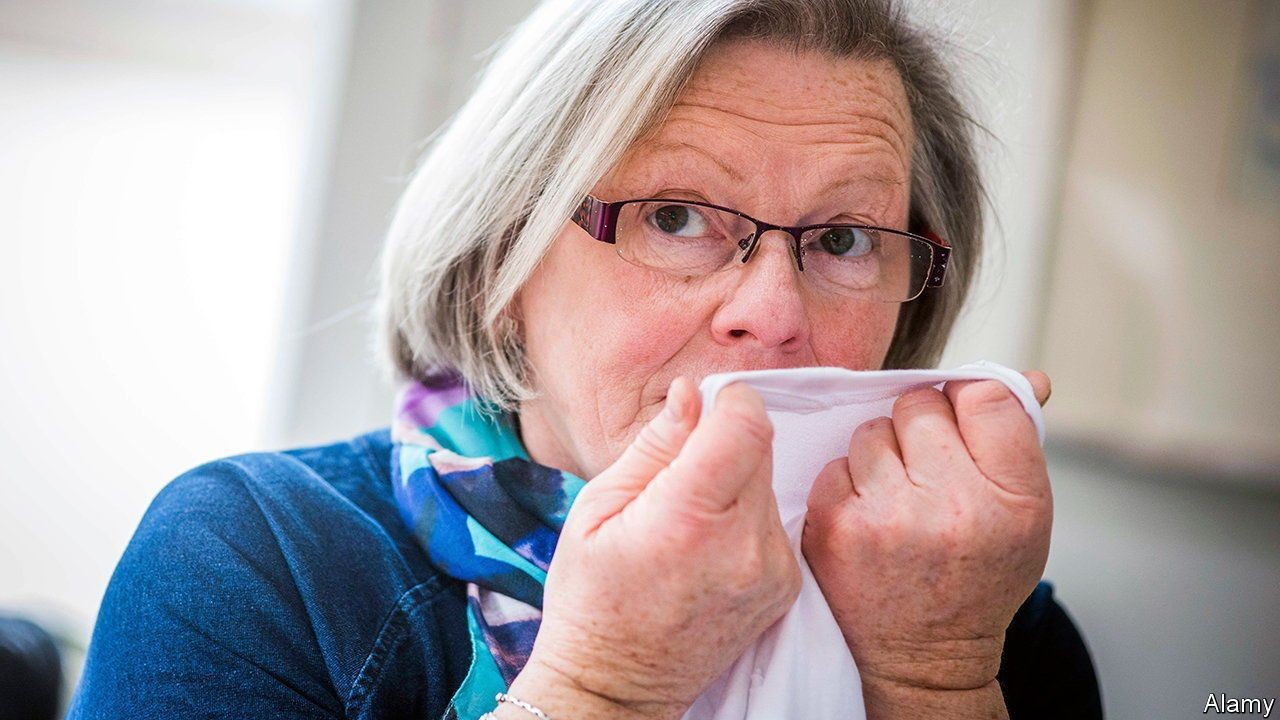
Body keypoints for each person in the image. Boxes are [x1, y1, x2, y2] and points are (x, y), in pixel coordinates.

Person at [68, 1, 1102, 718]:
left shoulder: (982, 622)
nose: (773, 316)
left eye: (840, 239)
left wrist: (930, 685)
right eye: (673, 215)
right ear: (497, 262)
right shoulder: (252, 565)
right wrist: (602, 688)